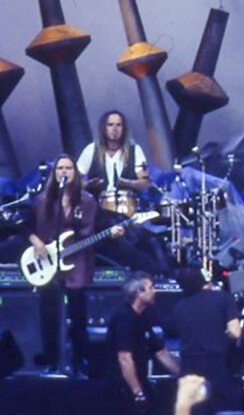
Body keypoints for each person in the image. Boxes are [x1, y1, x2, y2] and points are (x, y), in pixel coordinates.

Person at [25, 154, 121, 374]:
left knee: (78, 313)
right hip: (47, 262)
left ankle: (80, 360)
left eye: (69, 168)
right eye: (60, 168)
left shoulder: (87, 201)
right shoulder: (42, 201)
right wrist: (36, 241)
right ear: (54, 173)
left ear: (75, 173)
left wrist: (114, 233)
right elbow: (25, 225)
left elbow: (101, 228)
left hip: (77, 262)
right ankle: (51, 360)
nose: (64, 172)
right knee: (49, 313)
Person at [77, 110, 165, 275]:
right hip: (100, 212)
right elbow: (75, 181)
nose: (114, 129)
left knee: (140, 243)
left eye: (118, 125)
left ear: (124, 128)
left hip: (128, 209)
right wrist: (88, 184)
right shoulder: (92, 150)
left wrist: (127, 183)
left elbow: (145, 182)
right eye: (110, 125)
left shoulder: (134, 150)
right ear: (104, 127)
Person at [107, 271, 180, 413]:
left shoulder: (144, 316)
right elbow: (124, 358)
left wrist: (181, 373)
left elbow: (160, 351)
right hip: (122, 385)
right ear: (138, 293)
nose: (154, 291)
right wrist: (137, 392)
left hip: (141, 378)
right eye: (151, 288)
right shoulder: (124, 318)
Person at [172, 266, 241, 414]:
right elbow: (235, 332)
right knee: (224, 408)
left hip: (189, 366)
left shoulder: (179, 307)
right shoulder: (223, 297)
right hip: (215, 364)